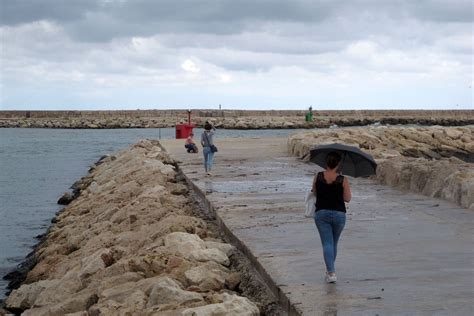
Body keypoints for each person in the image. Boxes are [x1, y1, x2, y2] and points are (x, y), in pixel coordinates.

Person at [311, 151, 352, 283]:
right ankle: (330, 270)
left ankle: (331, 272)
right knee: (334, 243)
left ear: (326, 162)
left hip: (321, 213)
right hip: (339, 214)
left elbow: (315, 193)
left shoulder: (318, 176)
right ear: (338, 164)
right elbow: (347, 198)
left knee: (327, 243)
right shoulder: (343, 179)